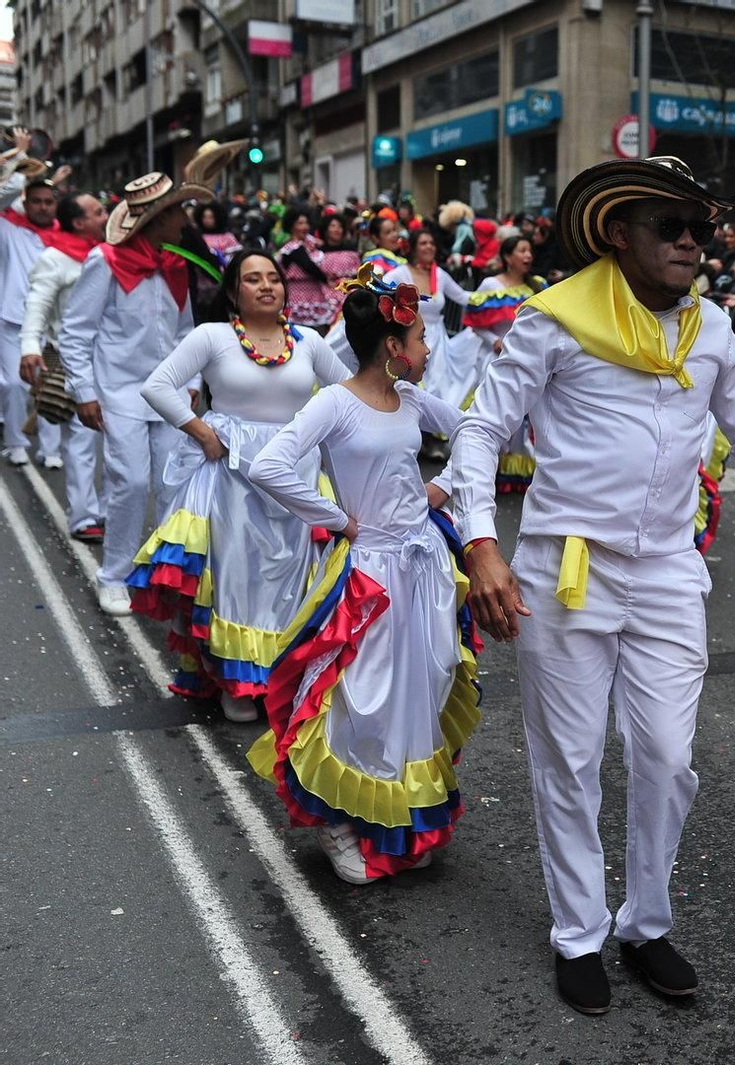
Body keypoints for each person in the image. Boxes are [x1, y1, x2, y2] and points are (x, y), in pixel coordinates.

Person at [447, 155, 735, 1015]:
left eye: (701, 228)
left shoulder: (713, 329)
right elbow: (481, 430)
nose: (692, 242)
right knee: (570, 760)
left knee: (666, 755)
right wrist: (480, 543)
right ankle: (578, 933)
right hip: (565, 571)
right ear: (619, 233)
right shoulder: (554, 319)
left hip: (666, 569)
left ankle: (645, 922)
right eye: (672, 226)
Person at [245, 271, 479, 885]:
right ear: (394, 345)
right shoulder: (335, 403)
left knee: (420, 687)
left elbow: (474, 430)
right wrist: (336, 519)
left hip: (423, 566)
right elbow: (269, 465)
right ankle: (338, 823)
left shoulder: (412, 400)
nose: (428, 349)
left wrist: (442, 487)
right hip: (369, 574)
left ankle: (394, 819)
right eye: (421, 338)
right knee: (359, 695)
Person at [128, 251, 351, 722]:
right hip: (231, 479)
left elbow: (349, 396)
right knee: (236, 578)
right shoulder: (212, 336)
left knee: (294, 580)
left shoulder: (309, 341)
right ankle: (237, 682)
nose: (266, 286)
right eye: (253, 279)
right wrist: (202, 431)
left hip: (295, 480)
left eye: (273, 278)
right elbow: (158, 386)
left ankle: (283, 676)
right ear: (233, 292)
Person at [58, 172, 206, 616]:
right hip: (119, 392)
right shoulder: (104, 261)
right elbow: (76, 331)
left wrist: (192, 382)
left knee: (172, 484)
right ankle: (113, 575)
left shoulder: (175, 261)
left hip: (170, 393)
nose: (185, 220)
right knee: (131, 483)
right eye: (177, 212)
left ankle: (165, 575)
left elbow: (185, 330)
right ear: (156, 219)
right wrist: (84, 391)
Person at [18, 187, 108, 542]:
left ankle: (109, 511)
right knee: (82, 439)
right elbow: (37, 305)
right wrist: (30, 347)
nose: (106, 216)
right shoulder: (54, 258)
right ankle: (83, 516)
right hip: (74, 359)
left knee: (119, 443)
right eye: (98, 212)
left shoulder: (111, 253)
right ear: (78, 222)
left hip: (116, 360)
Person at [445, 234, 545, 495]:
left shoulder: (537, 286)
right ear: (507, 257)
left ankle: (516, 472)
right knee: (493, 413)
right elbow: (473, 322)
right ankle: (482, 469)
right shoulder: (490, 285)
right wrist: (495, 341)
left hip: (529, 361)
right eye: (522, 250)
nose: (528, 255)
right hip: (495, 360)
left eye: (529, 250)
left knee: (524, 416)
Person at [0, 173, 68, 467]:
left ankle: (50, 450)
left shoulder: (67, 237)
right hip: (13, 321)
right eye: (36, 201)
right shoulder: (9, 230)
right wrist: (20, 171)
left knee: (50, 386)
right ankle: (16, 442)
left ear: (56, 205)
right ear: (25, 203)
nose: (43, 207)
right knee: (14, 385)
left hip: (52, 326)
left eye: (48, 202)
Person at [385, 226, 470, 413]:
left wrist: (499, 296)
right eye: (423, 243)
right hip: (409, 340)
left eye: (432, 243)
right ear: (413, 247)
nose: (429, 247)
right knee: (409, 387)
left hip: (438, 344)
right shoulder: (400, 274)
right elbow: (379, 294)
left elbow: (463, 297)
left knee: (438, 388)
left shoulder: (439, 274)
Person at [279, 206, 338, 330]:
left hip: (315, 294)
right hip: (298, 297)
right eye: (300, 223)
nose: (305, 227)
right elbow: (308, 265)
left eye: (306, 223)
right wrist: (326, 280)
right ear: (291, 226)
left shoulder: (310, 242)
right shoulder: (292, 247)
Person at [195, 201, 241, 268]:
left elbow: (237, 252)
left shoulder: (227, 236)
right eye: (204, 217)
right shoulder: (198, 236)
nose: (207, 220)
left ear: (218, 218)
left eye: (210, 217)